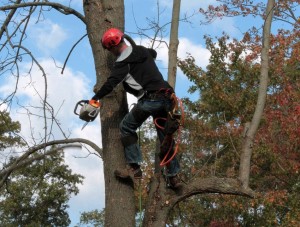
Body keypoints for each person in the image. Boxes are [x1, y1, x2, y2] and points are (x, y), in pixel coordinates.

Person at [91, 28, 181, 189]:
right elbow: (153, 53)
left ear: (111, 46)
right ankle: (174, 176)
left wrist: (95, 98)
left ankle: (134, 168)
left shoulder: (122, 64)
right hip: (168, 99)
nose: (110, 52)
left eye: (109, 49)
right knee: (164, 138)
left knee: (126, 127)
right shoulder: (141, 50)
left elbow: (111, 83)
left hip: (151, 100)